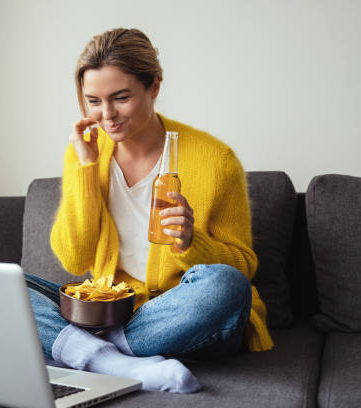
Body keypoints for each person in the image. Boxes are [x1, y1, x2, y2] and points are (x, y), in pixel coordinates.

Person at [25, 27, 273, 394]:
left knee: (225, 285)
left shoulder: (215, 160)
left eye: (120, 97)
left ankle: (88, 351)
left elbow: (242, 266)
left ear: (154, 86)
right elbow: (75, 258)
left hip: (184, 314)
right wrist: (86, 169)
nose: (106, 115)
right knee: (9, 285)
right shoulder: (85, 152)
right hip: (115, 310)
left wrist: (192, 241)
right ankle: (114, 362)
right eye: (93, 101)